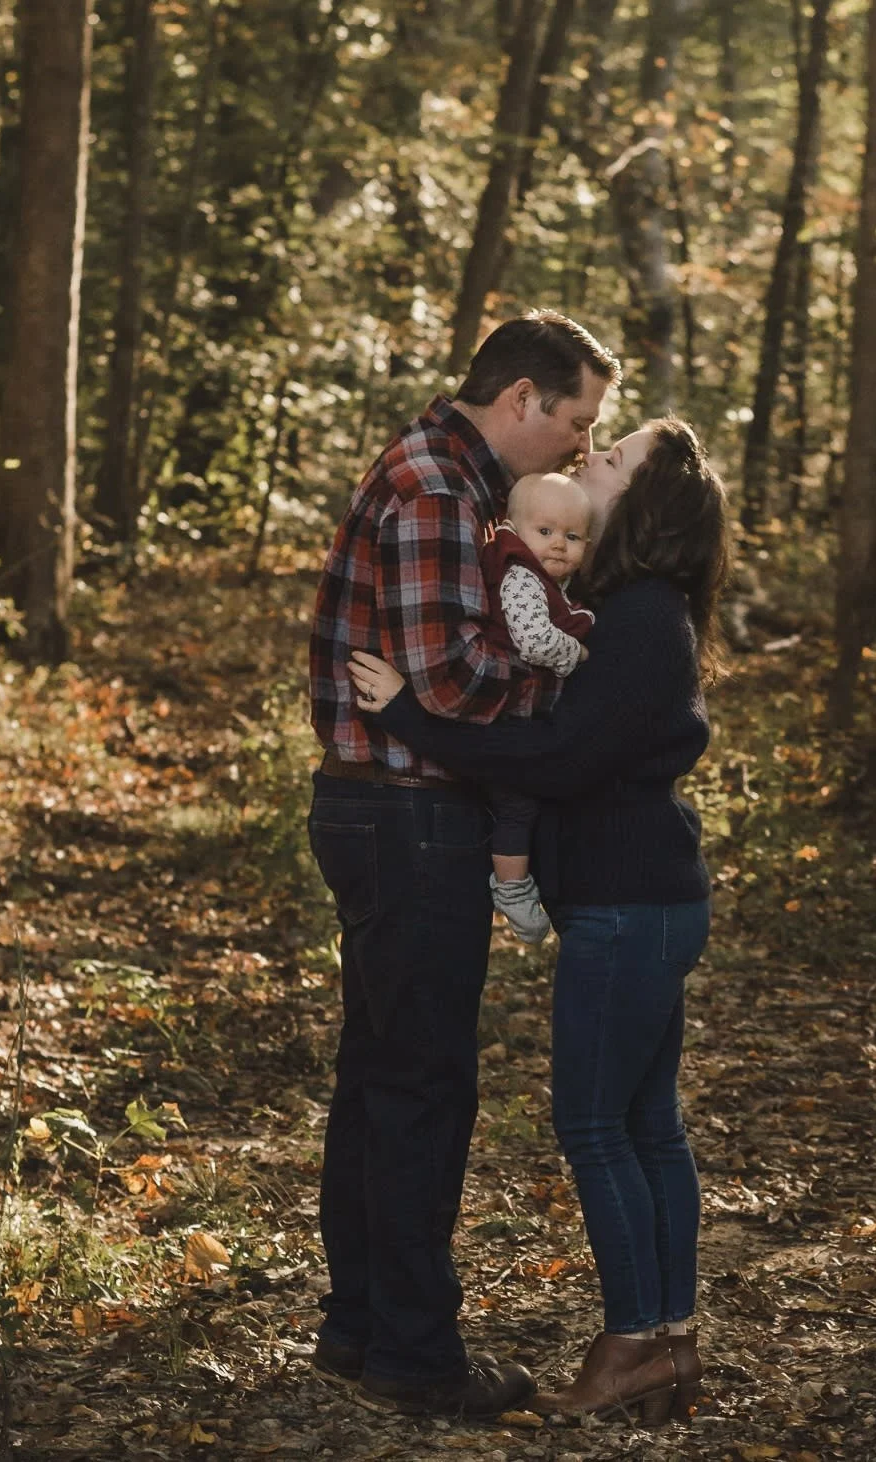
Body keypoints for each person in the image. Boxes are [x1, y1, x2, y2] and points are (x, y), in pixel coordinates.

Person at [348, 416, 730, 1425]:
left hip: (629, 905)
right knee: (647, 1125)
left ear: (644, 502)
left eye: (614, 458)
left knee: (597, 1127)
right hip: (644, 898)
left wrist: (408, 715)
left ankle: (633, 1344)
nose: (590, 459)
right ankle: (670, 1339)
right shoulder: (623, 605)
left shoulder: (640, 616)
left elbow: (558, 760)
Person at [306, 310, 621, 1418]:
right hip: (408, 814)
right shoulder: (440, 489)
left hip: (387, 809)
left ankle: (360, 1330)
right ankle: (415, 1357)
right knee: (421, 1085)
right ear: (523, 399)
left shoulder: (455, 482)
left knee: (382, 1074)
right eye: (578, 420)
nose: (584, 445)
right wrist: (572, 682)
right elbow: (447, 678)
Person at [480, 471, 595, 944]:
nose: (559, 544)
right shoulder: (521, 577)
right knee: (517, 804)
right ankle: (511, 888)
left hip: (521, 717)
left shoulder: (547, 581)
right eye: (545, 531)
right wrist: (579, 654)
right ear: (513, 528)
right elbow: (534, 641)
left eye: (572, 536)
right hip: (505, 717)